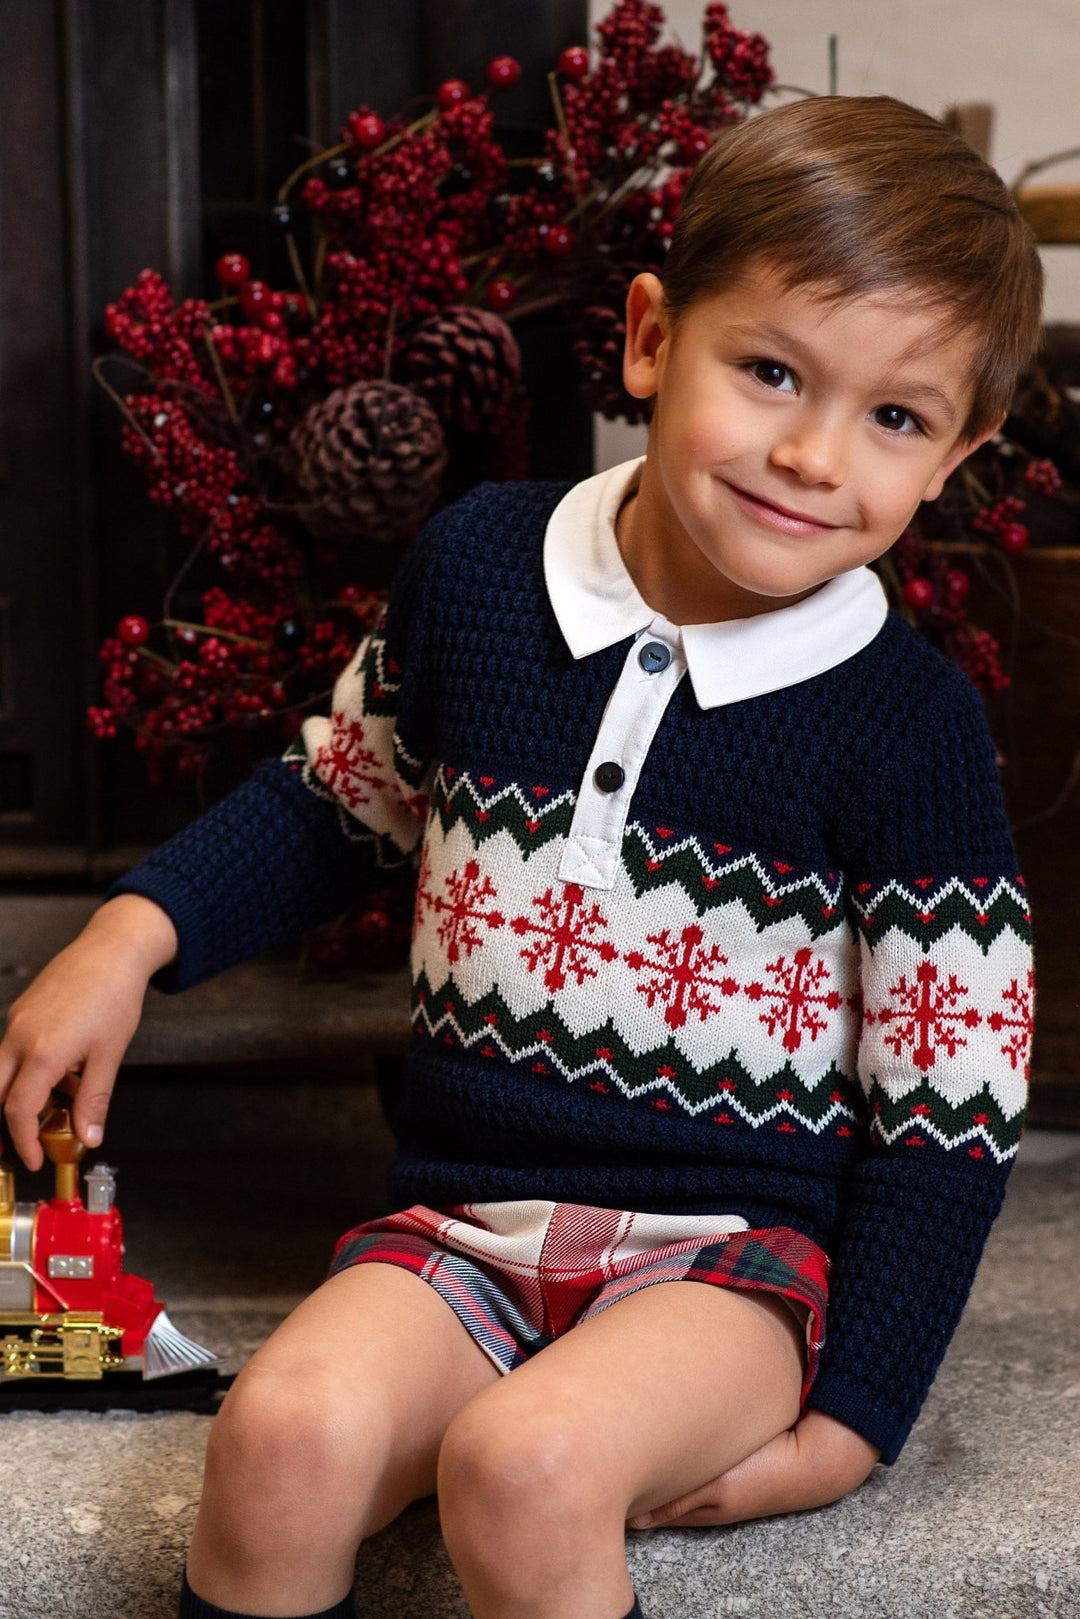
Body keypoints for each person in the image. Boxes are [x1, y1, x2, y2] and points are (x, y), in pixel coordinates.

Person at [0, 95, 1041, 1619]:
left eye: (896, 417)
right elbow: (335, 799)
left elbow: (950, 1113)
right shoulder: (485, 571)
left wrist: (852, 1420)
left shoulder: (908, 728)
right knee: (279, 1438)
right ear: (646, 340)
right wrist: (130, 934)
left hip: (727, 1267)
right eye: (769, 373)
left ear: (958, 453)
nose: (816, 456)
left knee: (529, 1465)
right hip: (459, 1231)